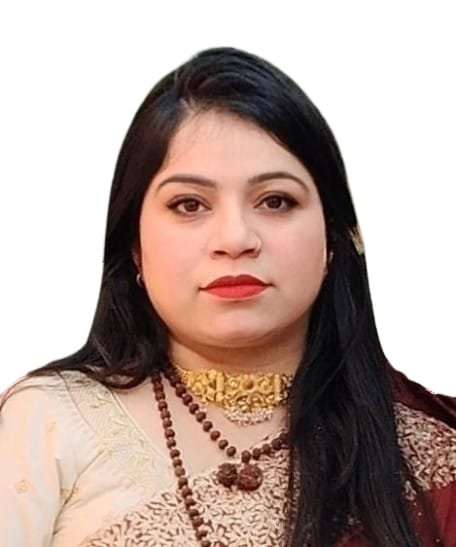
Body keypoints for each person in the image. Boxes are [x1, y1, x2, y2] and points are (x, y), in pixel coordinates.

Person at [0, 47, 454, 547]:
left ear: (335, 237)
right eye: (189, 204)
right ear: (134, 246)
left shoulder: (434, 448)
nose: (235, 238)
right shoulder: (48, 422)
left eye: (276, 201)